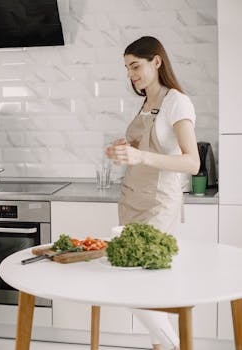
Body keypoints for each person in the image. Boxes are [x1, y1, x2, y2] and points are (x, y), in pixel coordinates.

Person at [106, 36, 200, 350]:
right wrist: (121, 151)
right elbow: (139, 148)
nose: (130, 74)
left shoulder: (177, 102)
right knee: (149, 291)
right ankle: (163, 347)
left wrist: (141, 156)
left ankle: (177, 345)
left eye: (135, 66)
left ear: (156, 62)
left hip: (159, 207)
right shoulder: (147, 102)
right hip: (131, 202)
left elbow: (192, 162)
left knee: (136, 287)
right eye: (126, 68)